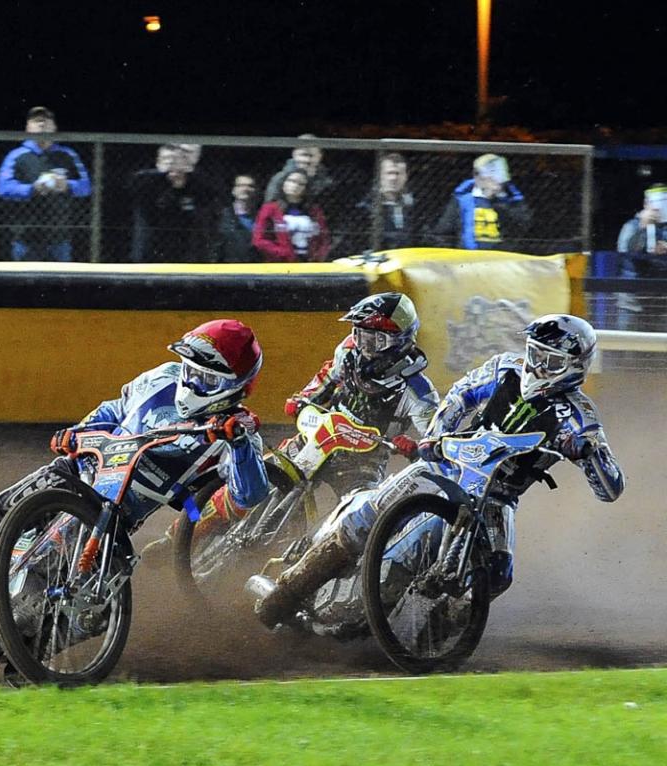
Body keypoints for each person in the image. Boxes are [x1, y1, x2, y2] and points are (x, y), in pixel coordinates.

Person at [0, 319, 272, 662]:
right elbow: (114, 408)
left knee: (96, 609)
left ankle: (31, 662)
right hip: (74, 473)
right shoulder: (160, 378)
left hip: (117, 519)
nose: (189, 378)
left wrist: (237, 442)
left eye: (203, 375)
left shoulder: (239, 431)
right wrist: (79, 432)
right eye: (188, 367)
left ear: (232, 386)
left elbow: (249, 494)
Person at [251, 313, 624, 631]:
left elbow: (611, 488)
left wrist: (590, 455)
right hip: (446, 465)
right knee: (369, 514)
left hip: (497, 498)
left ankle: (433, 633)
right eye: (536, 355)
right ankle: (288, 590)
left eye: (551, 362)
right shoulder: (504, 367)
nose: (539, 368)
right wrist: (435, 436)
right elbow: (462, 394)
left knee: (498, 573)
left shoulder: (580, 417)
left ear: (575, 366)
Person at [151, 293, 437, 572]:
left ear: (401, 340)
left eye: (376, 339)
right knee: (244, 479)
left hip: (363, 461)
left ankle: (306, 581)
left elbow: (434, 435)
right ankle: (175, 533)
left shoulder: (418, 391)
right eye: (361, 336)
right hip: (319, 435)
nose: (366, 347)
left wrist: (415, 446)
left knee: (352, 523)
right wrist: (305, 397)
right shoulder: (348, 351)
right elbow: (328, 376)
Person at [0, 106, 92, 261]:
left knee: (62, 283)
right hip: (26, 236)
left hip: (60, 236)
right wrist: (32, 189)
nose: (42, 124)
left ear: (54, 127)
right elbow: (3, 188)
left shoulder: (68, 154)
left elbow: (86, 186)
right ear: (28, 127)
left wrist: (67, 186)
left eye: (47, 121)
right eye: (36, 121)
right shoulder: (16, 155)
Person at [128, 144, 221, 263]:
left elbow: (210, 191)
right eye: (167, 159)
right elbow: (136, 182)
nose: (172, 163)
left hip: (185, 255)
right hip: (149, 256)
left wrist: (181, 180)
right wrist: (163, 173)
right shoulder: (147, 184)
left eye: (176, 159)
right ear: (158, 162)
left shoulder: (195, 186)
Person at [432, 153, 531, 250]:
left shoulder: (512, 200)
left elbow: (522, 226)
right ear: (477, 176)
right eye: (491, 174)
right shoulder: (463, 199)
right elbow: (443, 230)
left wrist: (499, 202)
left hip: (501, 258)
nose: (497, 179)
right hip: (469, 257)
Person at [252, 169, 330, 262]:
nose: (295, 186)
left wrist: (318, 256)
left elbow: (324, 238)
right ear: (283, 183)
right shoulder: (270, 208)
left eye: (301, 184)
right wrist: (283, 253)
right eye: (291, 181)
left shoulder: (314, 210)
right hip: (280, 264)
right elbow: (259, 240)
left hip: (310, 263)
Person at [354, 153, 418, 251]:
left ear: (406, 177)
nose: (393, 178)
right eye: (389, 173)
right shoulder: (365, 207)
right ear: (380, 176)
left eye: (398, 173)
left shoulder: (414, 206)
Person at [264, 135, 334, 204]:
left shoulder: (327, 181)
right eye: (303, 155)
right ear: (294, 154)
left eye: (311, 156)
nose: (307, 160)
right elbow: (270, 203)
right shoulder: (280, 179)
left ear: (320, 156)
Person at [211, 175, 261, 263]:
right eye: (240, 185)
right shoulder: (220, 217)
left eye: (250, 186)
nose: (245, 189)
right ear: (233, 190)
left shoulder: (262, 217)